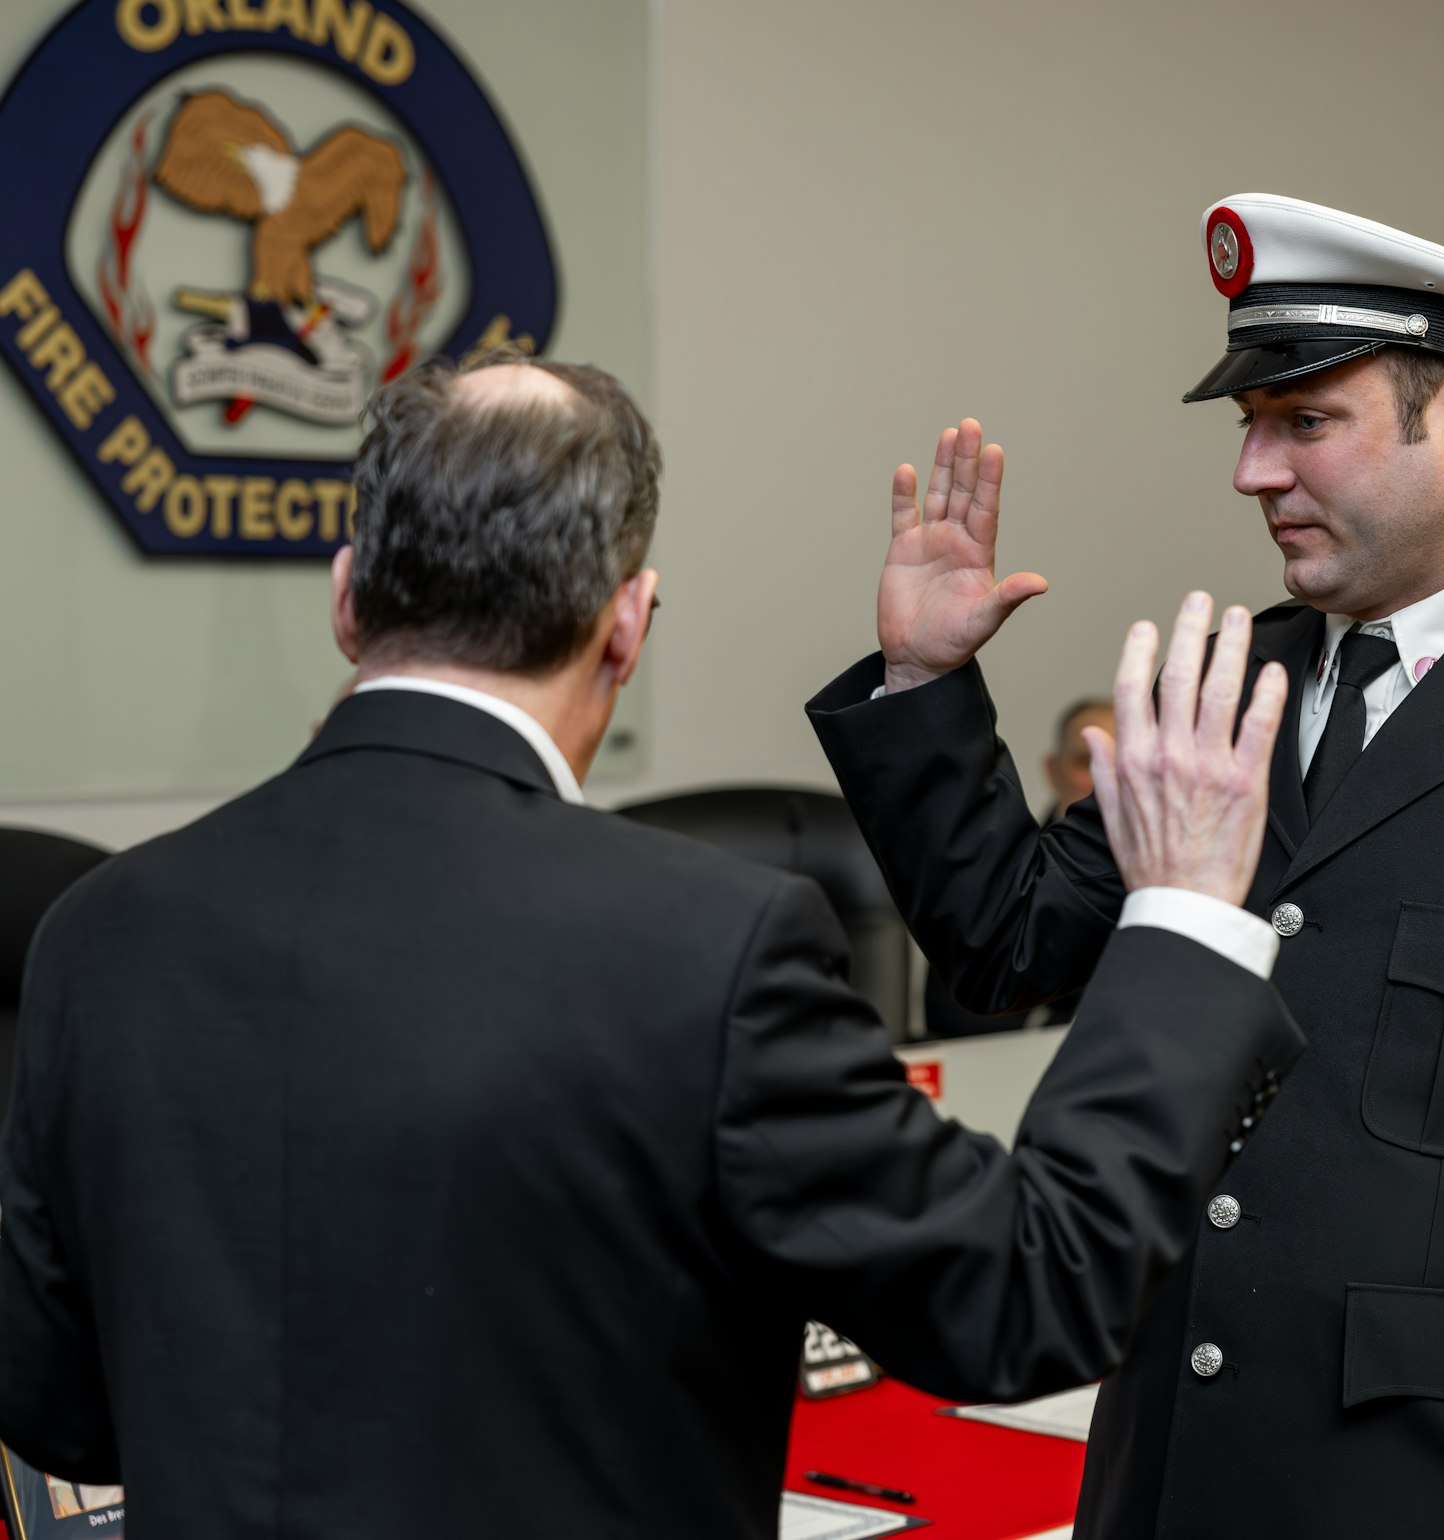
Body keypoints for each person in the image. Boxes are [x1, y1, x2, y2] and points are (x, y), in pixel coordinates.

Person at [0, 353, 1307, 1539]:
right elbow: (1027, 1295)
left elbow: (61, 1410)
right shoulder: (712, 947)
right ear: (629, 619)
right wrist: (1185, 914)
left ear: (349, 601)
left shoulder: (97, 931)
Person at [807, 194, 1444, 1537]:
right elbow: (1008, 946)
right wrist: (929, 685)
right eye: (1248, 427)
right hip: (1176, 1475)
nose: (1253, 472)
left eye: (1305, 423)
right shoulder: (1233, 684)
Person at [921, 695, 1113, 1037]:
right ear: (1053, 771)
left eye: (1121, 761)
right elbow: (957, 1017)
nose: (1105, 779)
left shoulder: (1183, 888)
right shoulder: (996, 876)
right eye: (1088, 761)